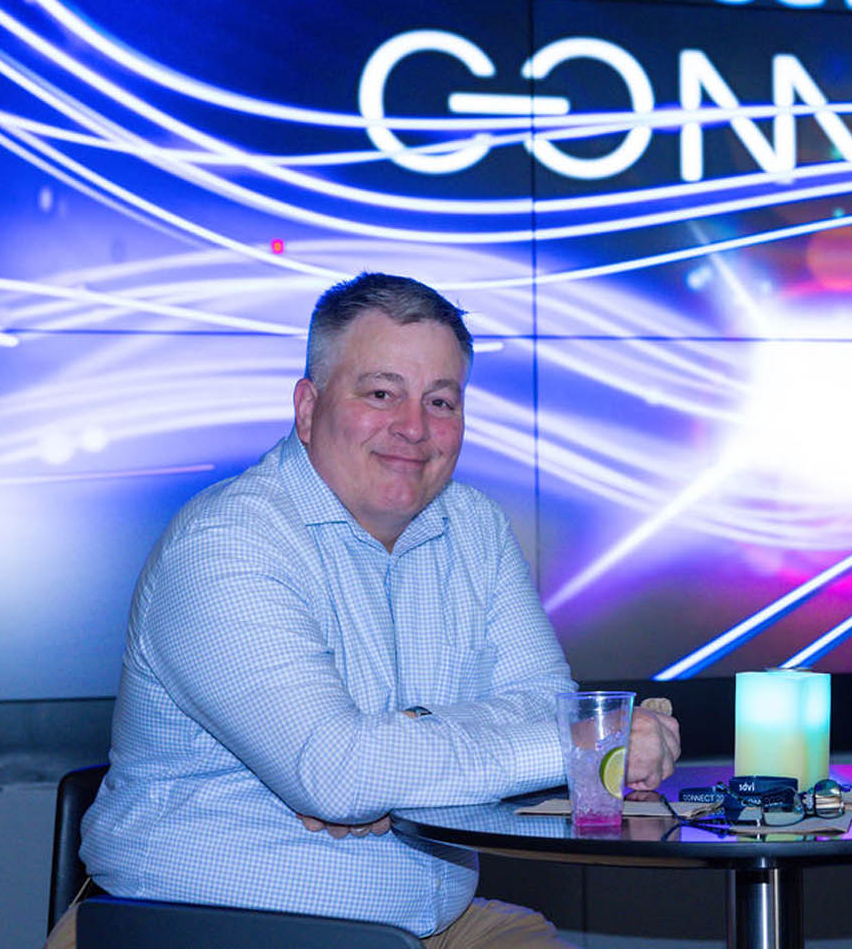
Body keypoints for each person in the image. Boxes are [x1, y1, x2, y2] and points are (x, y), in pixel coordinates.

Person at [49, 273, 680, 948]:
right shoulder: (225, 543)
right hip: (212, 926)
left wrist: (391, 761)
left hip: (437, 924)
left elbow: (542, 703)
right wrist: (590, 747)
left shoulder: (475, 527)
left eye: (441, 401)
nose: (413, 428)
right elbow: (341, 776)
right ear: (307, 408)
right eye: (381, 393)